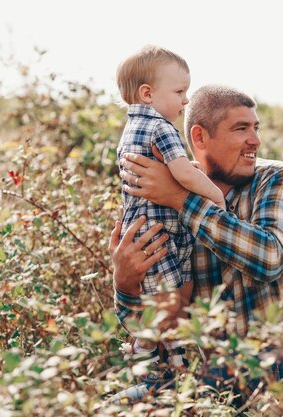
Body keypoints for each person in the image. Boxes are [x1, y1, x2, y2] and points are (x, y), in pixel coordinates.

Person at [109, 84, 283, 404]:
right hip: (229, 380)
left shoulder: (274, 177)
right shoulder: (167, 215)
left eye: (255, 128)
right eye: (240, 129)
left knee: (234, 371)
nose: (255, 140)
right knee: (120, 404)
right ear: (199, 138)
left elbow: (269, 258)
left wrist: (181, 199)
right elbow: (162, 326)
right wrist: (125, 284)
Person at [112, 45, 226, 399]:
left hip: (149, 226)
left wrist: (185, 173)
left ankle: (172, 361)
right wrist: (215, 197)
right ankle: (146, 358)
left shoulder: (132, 129)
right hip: (158, 231)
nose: (186, 100)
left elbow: (173, 173)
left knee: (176, 296)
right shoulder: (161, 127)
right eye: (179, 92)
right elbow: (180, 173)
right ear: (148, 93)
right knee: (172, 299)